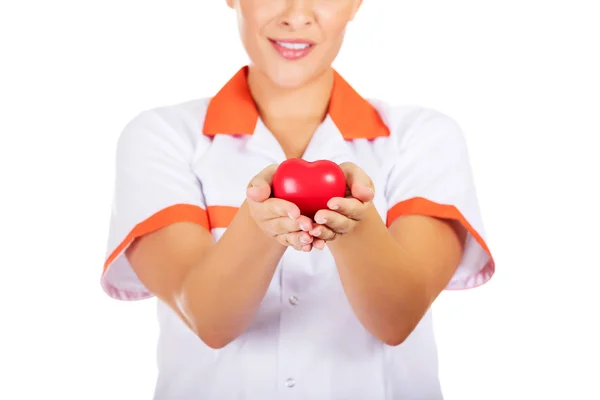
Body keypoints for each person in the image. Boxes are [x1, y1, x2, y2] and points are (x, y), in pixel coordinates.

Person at [101, 0, 495, 398]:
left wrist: (355, 224)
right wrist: (258, 225)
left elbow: (397, 320)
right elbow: (209, 320)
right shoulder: (161, 136)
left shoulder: (423, 138)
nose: (296, 15)